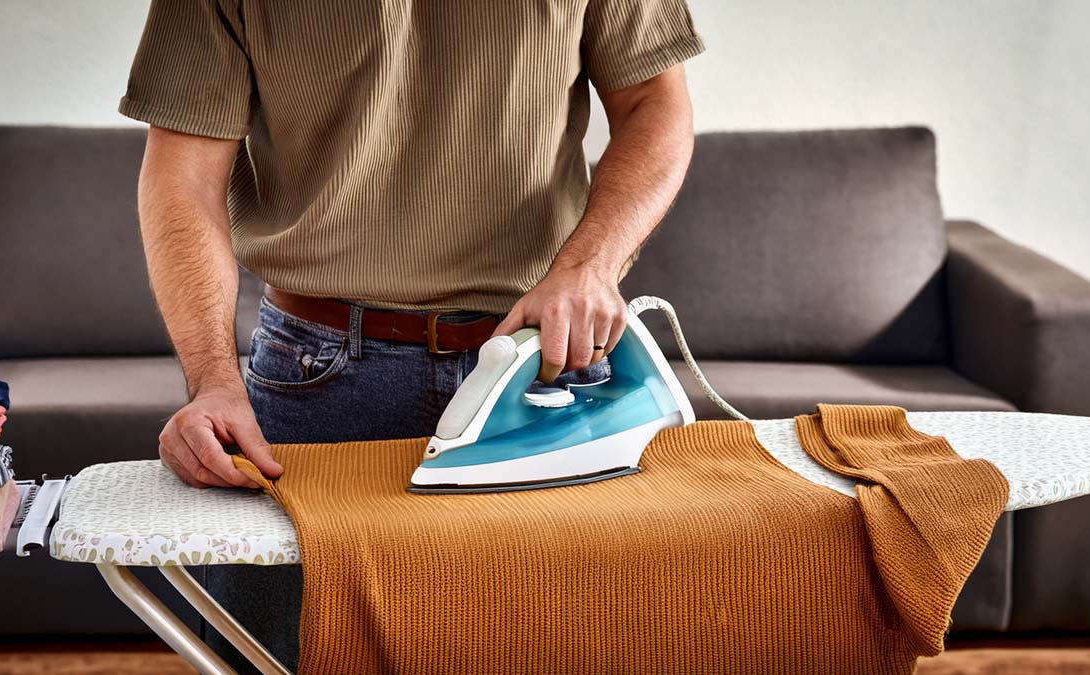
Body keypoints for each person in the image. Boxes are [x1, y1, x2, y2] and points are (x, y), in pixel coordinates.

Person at [120, 0, 704, 670]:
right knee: (267, 648)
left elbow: (655, 102)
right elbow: (184, 177)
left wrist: (589, 266)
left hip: (543, 360)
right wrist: (212, 379)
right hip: (319, 373)